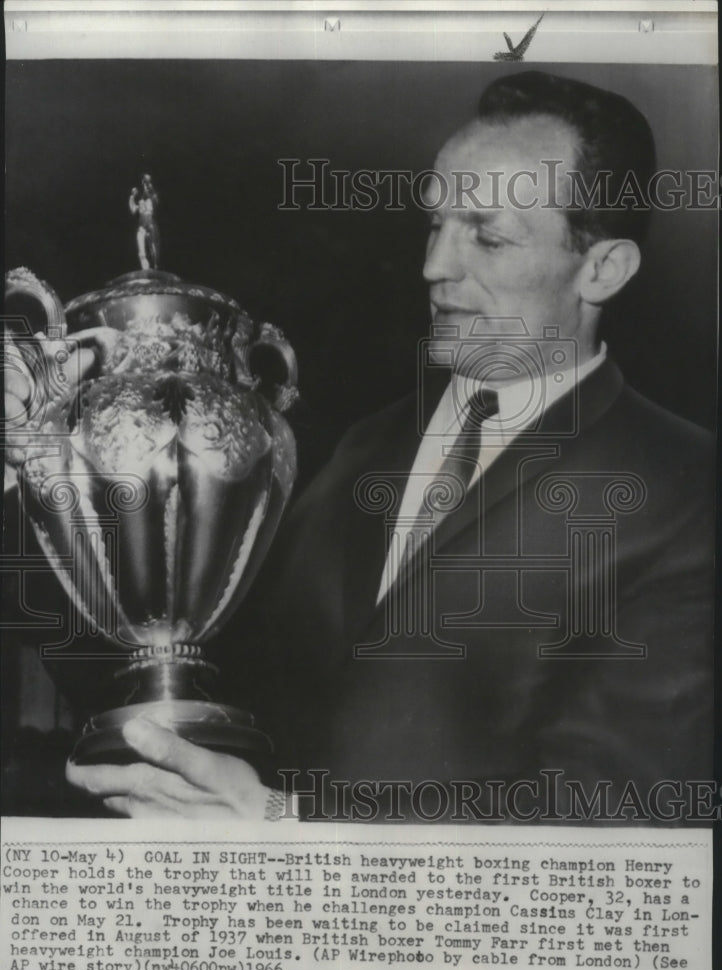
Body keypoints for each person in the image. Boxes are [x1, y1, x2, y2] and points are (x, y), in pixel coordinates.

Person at [9, 72, 714, 821]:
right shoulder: (359, 449)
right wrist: (25, 471)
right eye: (434, 225)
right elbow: (171, 672)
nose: (434, 267)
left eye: (487, 235)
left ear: (604, 268)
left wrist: (295, 829)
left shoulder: (687, 489)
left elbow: (619, 813)